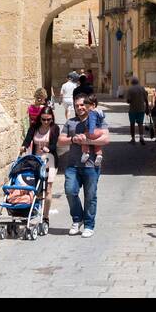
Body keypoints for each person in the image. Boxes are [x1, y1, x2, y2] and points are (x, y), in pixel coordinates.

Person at [57, 91, 110, 237]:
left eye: (82, 104)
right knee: (70, 191)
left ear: (87, 105)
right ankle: (77, 219)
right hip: (73, 165)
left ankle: (89, 225)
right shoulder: (70, 122)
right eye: (77, 105)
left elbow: (106, 139)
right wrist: (74, 139)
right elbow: (61, 140)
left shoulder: (98, 120)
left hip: (91, 166)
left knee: (90, 196)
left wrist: (87, 141)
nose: (80, 107)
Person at [21, 103, 60, 223]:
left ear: (52, 118)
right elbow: (28, 139)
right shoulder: (34, 127)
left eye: (49, 119)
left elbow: (54, 144)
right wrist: (23, 146)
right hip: (36, 161)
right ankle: (34, 209)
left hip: (50, 160)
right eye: (43, 119)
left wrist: (49, 149)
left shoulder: (54, 128)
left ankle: (46, 216)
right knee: (35, 187)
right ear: (40, 118)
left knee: (48, 188)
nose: (46, 122)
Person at [124, 75, 149, 144]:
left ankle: (133, 139)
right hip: (141, 109)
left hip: (133, 109)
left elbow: (128, 101)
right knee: (140, 124)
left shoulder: (130, 89)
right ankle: (141, 137)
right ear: (138, 82)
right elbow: (146, 99)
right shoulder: (142, 88)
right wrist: (147, 108)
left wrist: (131, 100)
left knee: (132, 124)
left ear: (132, 82)